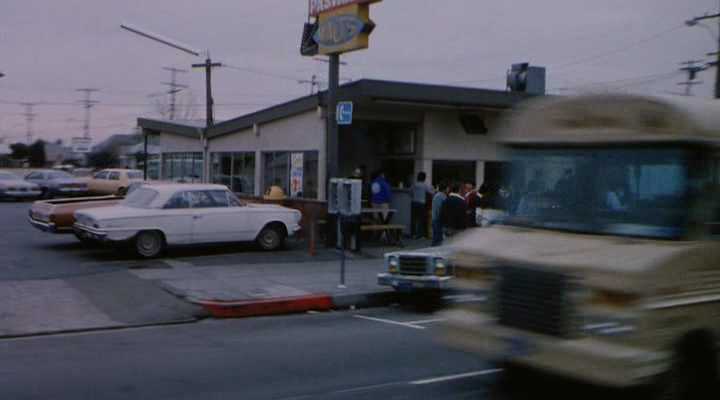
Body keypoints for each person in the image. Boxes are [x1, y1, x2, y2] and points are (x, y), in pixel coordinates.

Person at [411, 172, 434, 239]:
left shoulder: (414, 184)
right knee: (421, 219)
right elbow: (431, 192)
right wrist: (433, 188)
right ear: (424, 178)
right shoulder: (425, 185)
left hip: (414, 202)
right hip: (421, 203)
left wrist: (414, 196)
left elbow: (410, 192)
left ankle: (413, 234)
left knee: (413, 219)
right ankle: (419, 235)